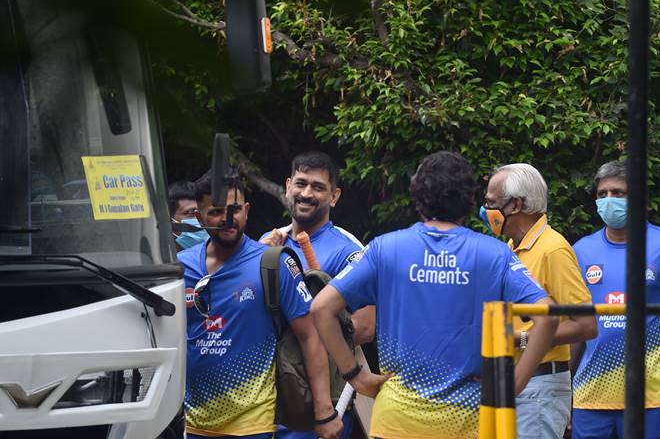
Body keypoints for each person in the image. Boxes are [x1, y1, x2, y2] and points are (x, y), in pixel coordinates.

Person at [311, 151, 558, 439]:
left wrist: (356, 376)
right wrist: (510, 386)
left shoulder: (385, 248)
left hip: (396, 422)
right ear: (470, 198)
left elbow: (321, 308)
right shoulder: (496, 254)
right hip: (468, 421)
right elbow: (548, 316)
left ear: (417, 194)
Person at [178, 171, 342, 439]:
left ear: (246, 210)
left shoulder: (274, 263)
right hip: (194, 424)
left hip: (254, 425)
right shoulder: (181, 267)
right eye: (216, 211)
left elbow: (311, 336)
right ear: (198, 217)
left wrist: (324, 411)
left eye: (234, 209)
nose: (227, 219)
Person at [259, 151, 371, 439]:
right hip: (264, 402)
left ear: (334, 196)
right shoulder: (267, 244)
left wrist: (307, 335)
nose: (307, 193)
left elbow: (365, 326)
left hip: (317, 404)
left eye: (318, 187)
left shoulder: (348, 251)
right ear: (288, 186)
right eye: (301, 183)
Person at [482, 163, 597, 438]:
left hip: (539, 386)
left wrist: (520, 338)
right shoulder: (512, 247)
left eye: (491, 203)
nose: (485, 211)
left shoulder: (553, 249)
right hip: (516, 382)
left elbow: (586, 325)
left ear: (516, 205)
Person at [570, 160, 660, 438]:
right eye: (602, 194)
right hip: (589, 396)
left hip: (649, 397)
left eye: (618, 193)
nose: (609, 200)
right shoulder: (581, 251)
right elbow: (575, 325)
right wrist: (565, 389)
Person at [168, 180, 207, 251]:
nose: (200, 218)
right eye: (191, 213)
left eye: (204, 212)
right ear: (170, 221)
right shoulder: (155, 256)